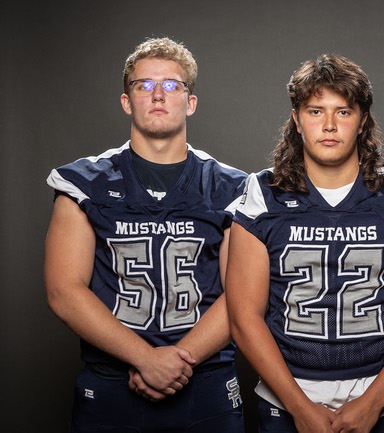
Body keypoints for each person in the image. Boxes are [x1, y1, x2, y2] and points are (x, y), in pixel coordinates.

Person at [225, 53, 384, 433]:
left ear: (362, 122)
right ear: (296, 119)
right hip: (286, 392)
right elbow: (244, 316)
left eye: (343, 112)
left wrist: (373, 402)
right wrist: (298, 406)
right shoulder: (262, 195)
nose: (329, 125)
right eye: (315, 111)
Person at [44, 37, 247, 432]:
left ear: (190, 102)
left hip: (204, 380)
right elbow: (63, 291)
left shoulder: (230, 186)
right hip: (110, 381)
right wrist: (144, 358)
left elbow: (241, 292)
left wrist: (174, 361)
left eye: (172, 85)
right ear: (127, 101)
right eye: (143, 85)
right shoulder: (84, 181)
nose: (157, 94)